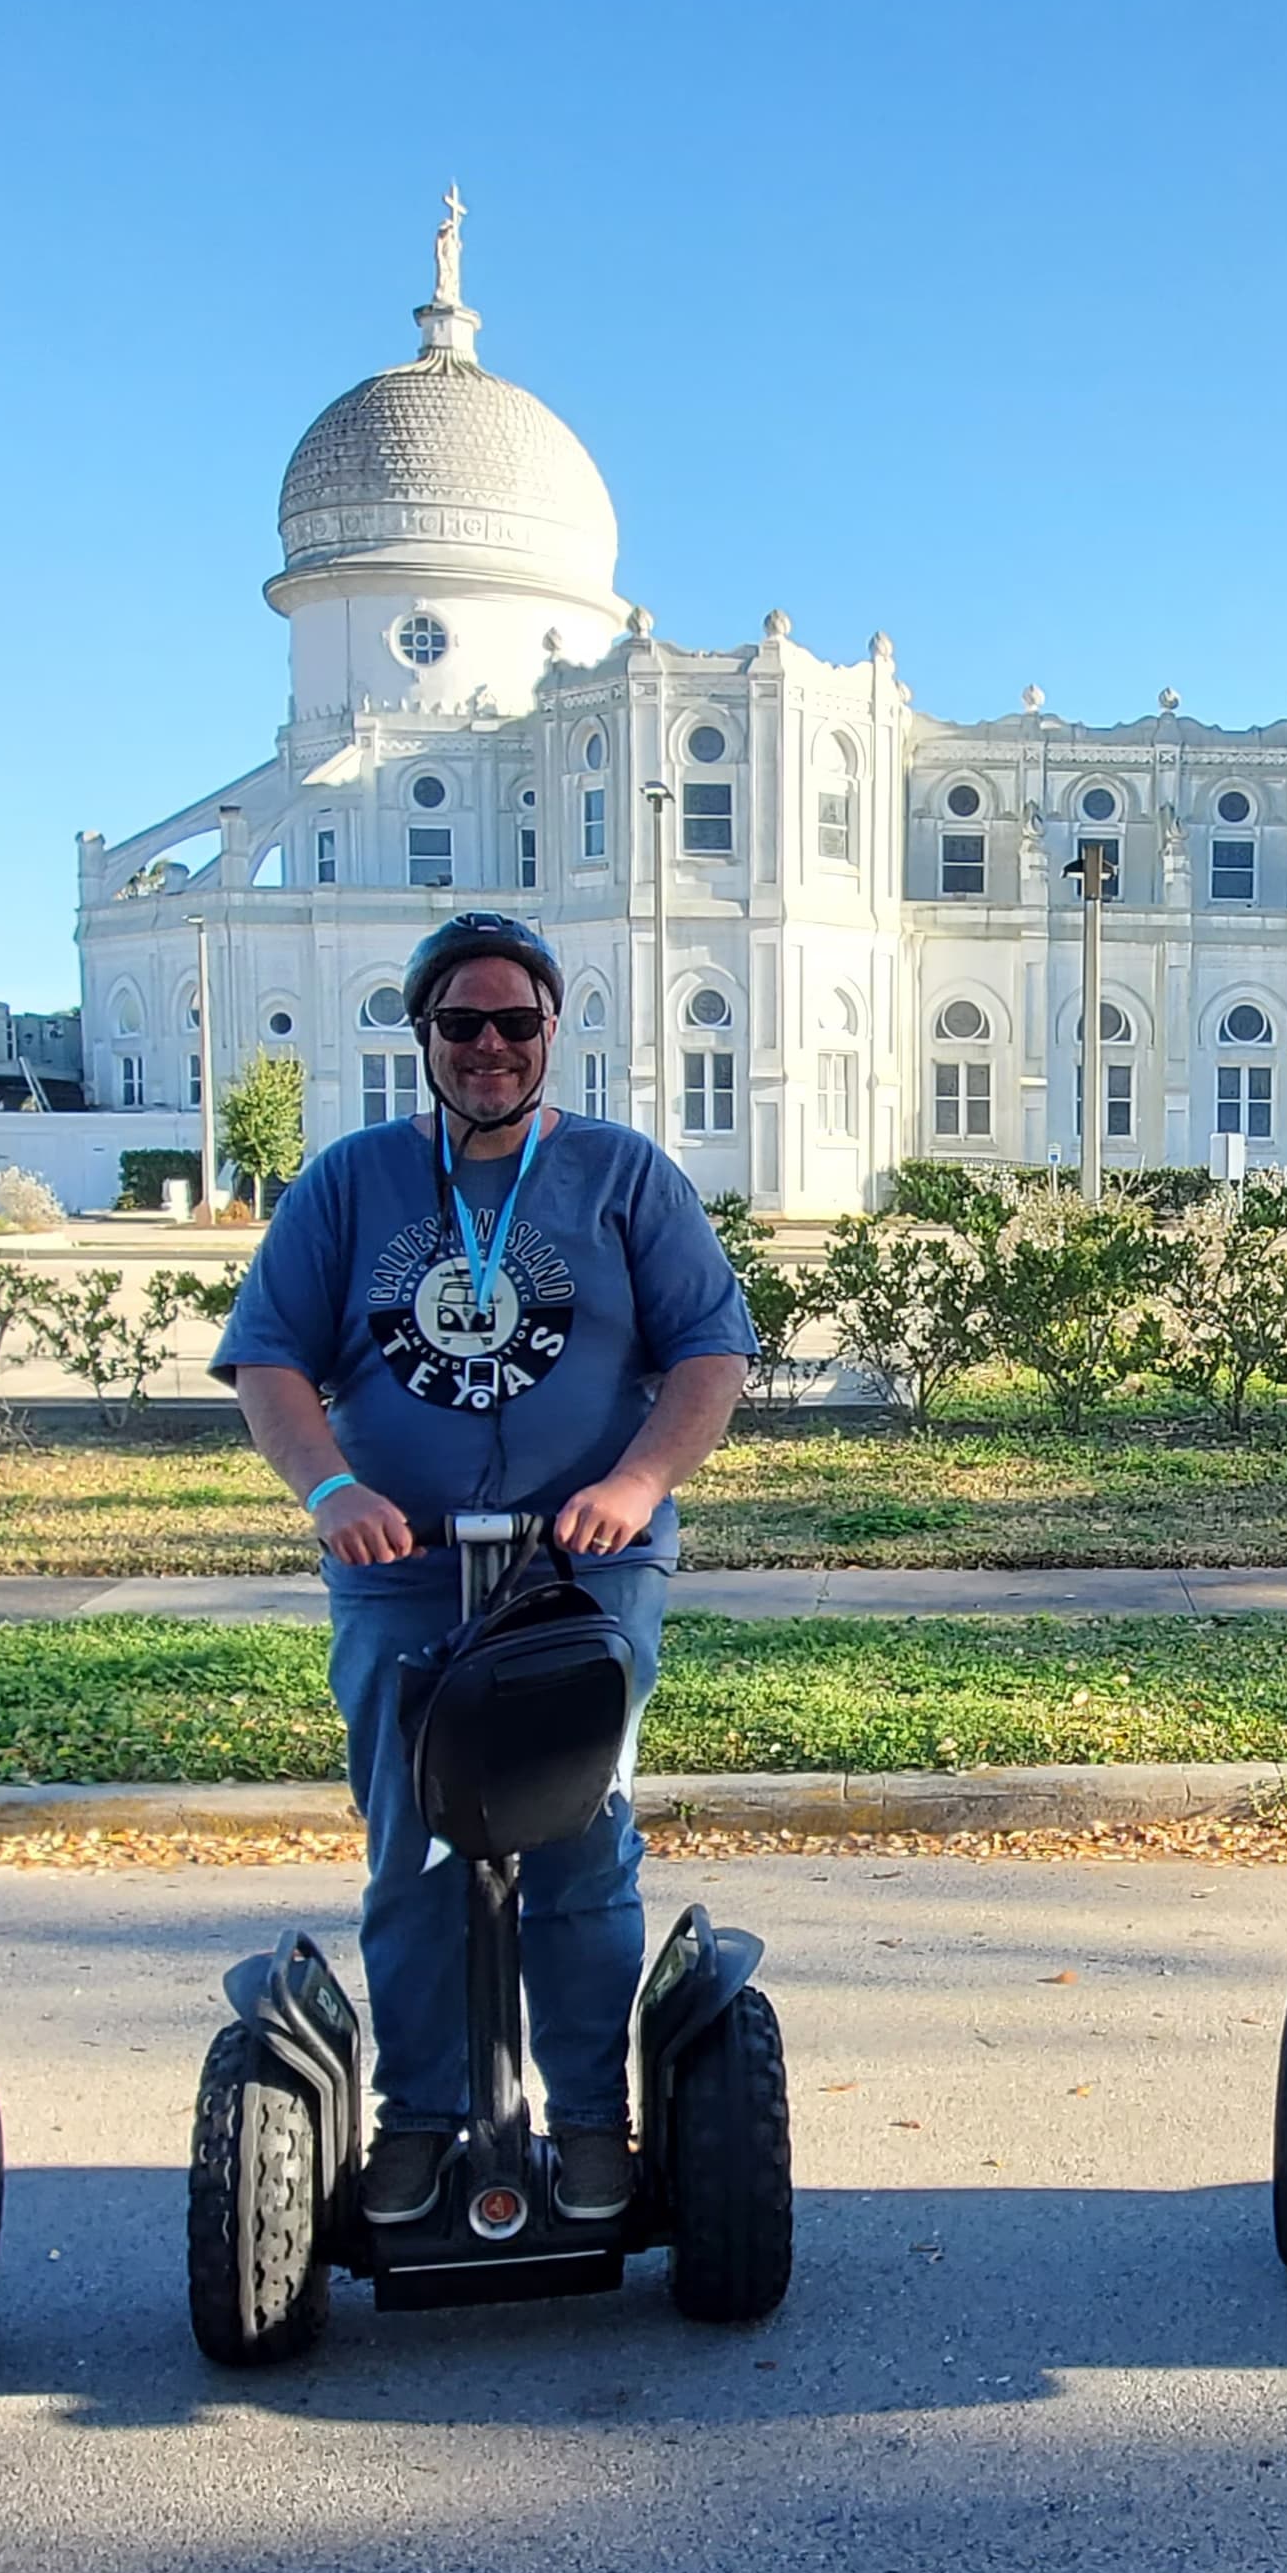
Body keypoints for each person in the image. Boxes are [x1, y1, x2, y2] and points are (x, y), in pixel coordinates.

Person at [215, 911, 754, 2231]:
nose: (492, 1047)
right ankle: (419, 2118)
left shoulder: (627, 1178)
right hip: (402, 1569)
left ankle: (584, 2120)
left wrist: (635, 1483)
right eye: (464, 1024)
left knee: (577, 1840)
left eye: (518, 1022)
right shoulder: (347, 1185)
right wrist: (331, 1486)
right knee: (415, 1851)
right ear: (425, 1037)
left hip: (585, 1569)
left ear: (553, 1032)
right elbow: (270, 1359)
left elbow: (711, 1356)